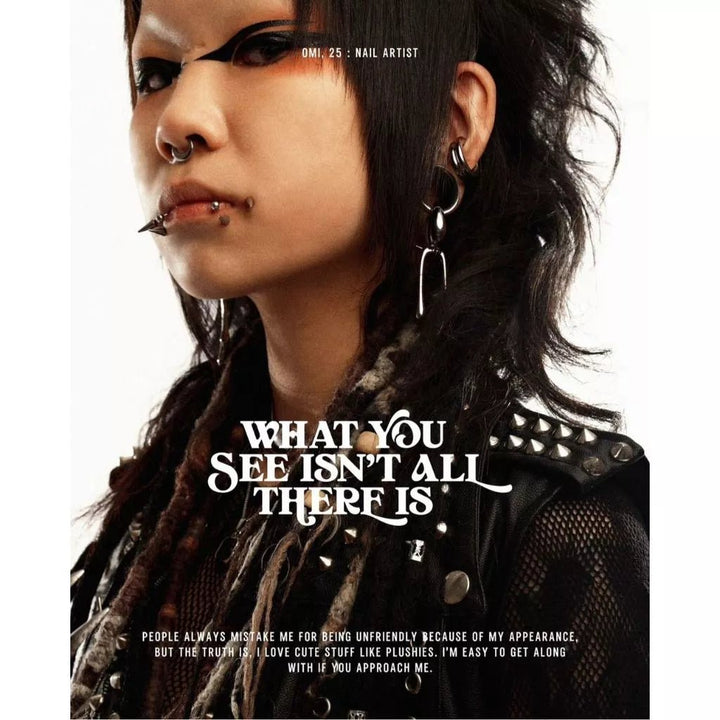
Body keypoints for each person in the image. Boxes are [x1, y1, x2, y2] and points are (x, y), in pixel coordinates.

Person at [70, 0, 649, 718]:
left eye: (264, 49)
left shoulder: (554, 530)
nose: (175, 123)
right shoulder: (150, 524)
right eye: (156, 73)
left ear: (450, 120)